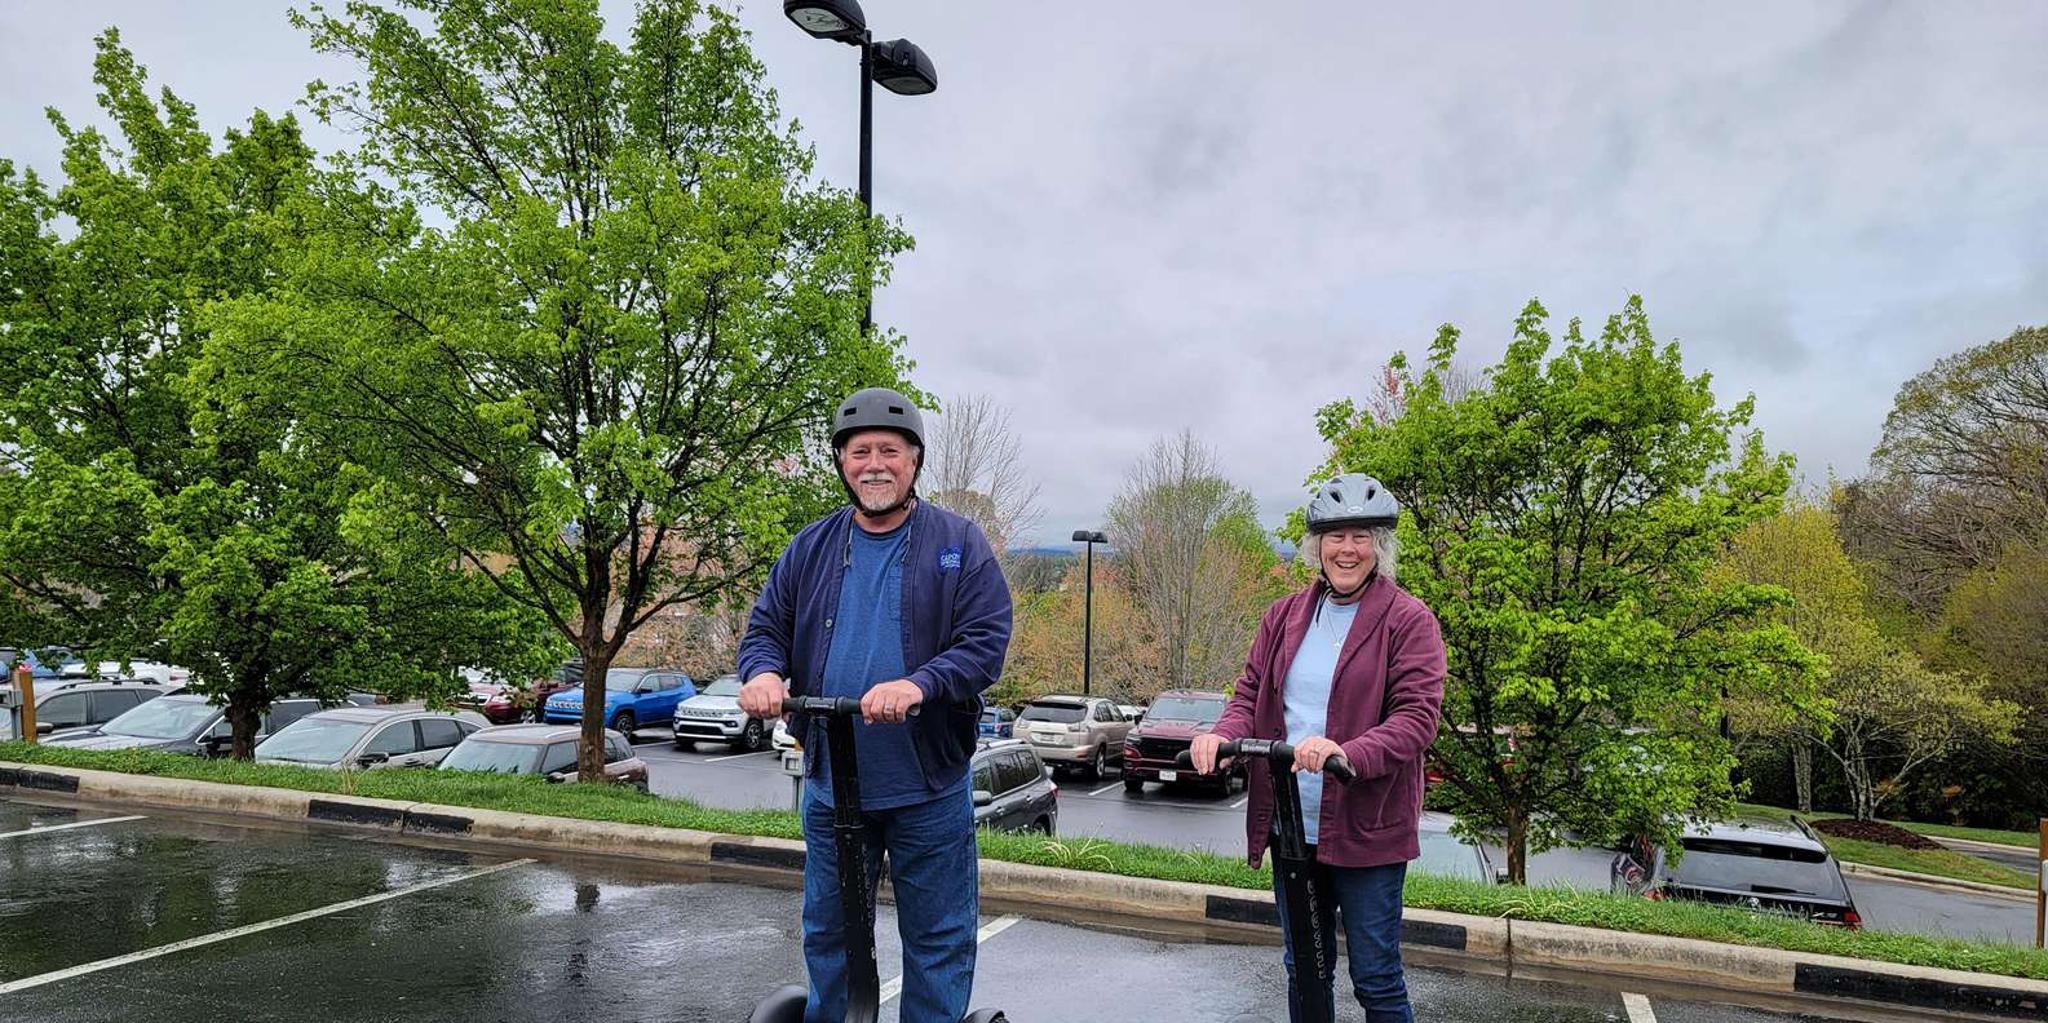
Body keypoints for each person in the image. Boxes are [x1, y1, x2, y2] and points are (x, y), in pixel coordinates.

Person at [737, 386, 1012, 1023]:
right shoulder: (810, 547)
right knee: (829, 937)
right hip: (834, 785)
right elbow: (764, 631)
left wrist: (919, 684)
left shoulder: (958, 543)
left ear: (914, 460)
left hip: (928, 785)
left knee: (938, 941)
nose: (875, 463)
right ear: (842, 462)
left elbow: (985, 642)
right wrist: (763, 673)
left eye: (890, 450)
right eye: (860, 451)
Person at [1190, 472, 1446, 1023]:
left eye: (1361, 537)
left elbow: (1417, 718)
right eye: (1336, 536)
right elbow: (1250, 693)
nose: (1348, 549)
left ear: (1380, 546)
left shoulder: (1409, 621)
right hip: (1291, 824)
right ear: (1317, 545)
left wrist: (1348, 751)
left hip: (1365, 828)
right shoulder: (1284, 616)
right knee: (1305, 966)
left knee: (1376, 976)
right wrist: (1218, 734)